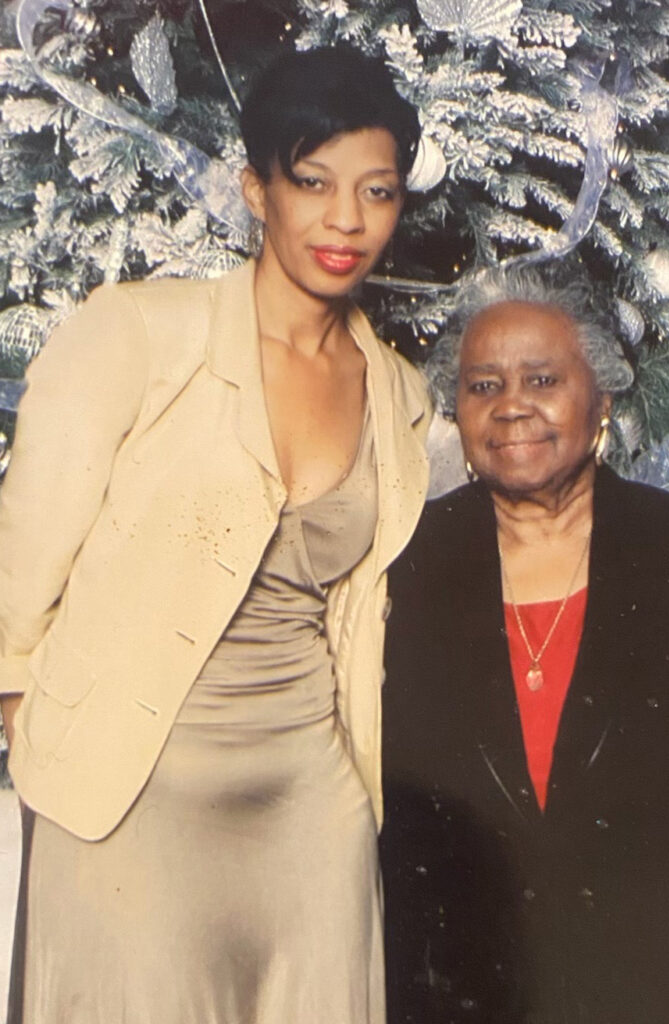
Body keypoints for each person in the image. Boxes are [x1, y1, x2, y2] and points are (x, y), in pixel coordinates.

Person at [0, 46, 431, 1024]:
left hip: (308, 801)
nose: (346, 221)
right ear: (255, 189)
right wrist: (21, 693)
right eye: (312, 183)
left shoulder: (400, 398)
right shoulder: (141, 334)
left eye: (377, 191)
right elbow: (24, 543)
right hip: (131, 798)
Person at [380, 265, 669, 1024]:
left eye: (542, 378)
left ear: (602, 402)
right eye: (483, 386)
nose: (512, 405)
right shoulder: (403, 566)